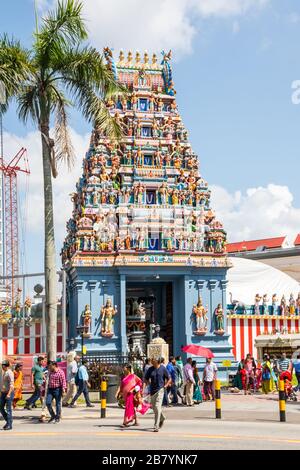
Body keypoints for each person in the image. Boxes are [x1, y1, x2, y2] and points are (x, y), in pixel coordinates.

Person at [144, 357, 171, 432]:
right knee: (154, 407)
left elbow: (169, 378)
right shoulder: (150, 369)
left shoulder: (163, 368)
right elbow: (145, 378)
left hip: (160, 390)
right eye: (151, 361)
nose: (152, 362)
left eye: (153, 360)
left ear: (157, 361)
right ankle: (162, 417)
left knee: (157, 406)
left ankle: (156, 425)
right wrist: (148, 383)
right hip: (152, 391)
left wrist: (166, 385)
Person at [0, 360, 14, 430]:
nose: (2, 366)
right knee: (1, 408)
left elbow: (12, 385)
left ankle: (9, 424)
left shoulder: (9, 373)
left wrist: (8, 394)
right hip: (3, 393)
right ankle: (9, 421)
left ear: (7, 366)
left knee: (8, 409)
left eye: (4, 365)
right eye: (2, 365)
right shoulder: (4, 372)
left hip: (9, 393)